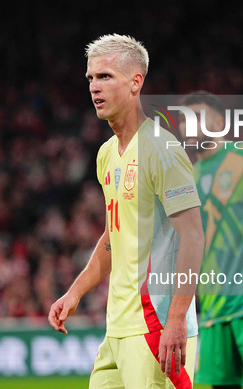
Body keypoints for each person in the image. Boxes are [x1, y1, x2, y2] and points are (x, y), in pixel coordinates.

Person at [48, 34, 204, 388]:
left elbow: (193, 236)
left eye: (105, 77)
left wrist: (177, 319)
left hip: (156, 326)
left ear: (136, 82)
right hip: (117, 328)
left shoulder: (162, 149)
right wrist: (75, 292)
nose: (94, 87)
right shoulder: (106, 154)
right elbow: (112, 238)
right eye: (90, 78)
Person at [178, 92, 243, 389]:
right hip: (213, 304)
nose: (189, 127)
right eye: (184, 121)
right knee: (220, 385)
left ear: (219, 123)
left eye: (197, 118)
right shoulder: (189, 178)